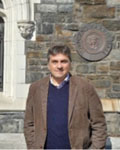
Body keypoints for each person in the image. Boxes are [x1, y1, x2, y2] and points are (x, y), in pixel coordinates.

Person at [24, 45, 107, 149]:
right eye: (54, 61)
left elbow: (99, 123)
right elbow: (29, 123)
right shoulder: (35, 88)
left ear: (70, 64)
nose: (59, 66)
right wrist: (32, 147)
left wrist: (95, 148)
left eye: (64, 61)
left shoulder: (85, 88)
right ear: (48, 65)